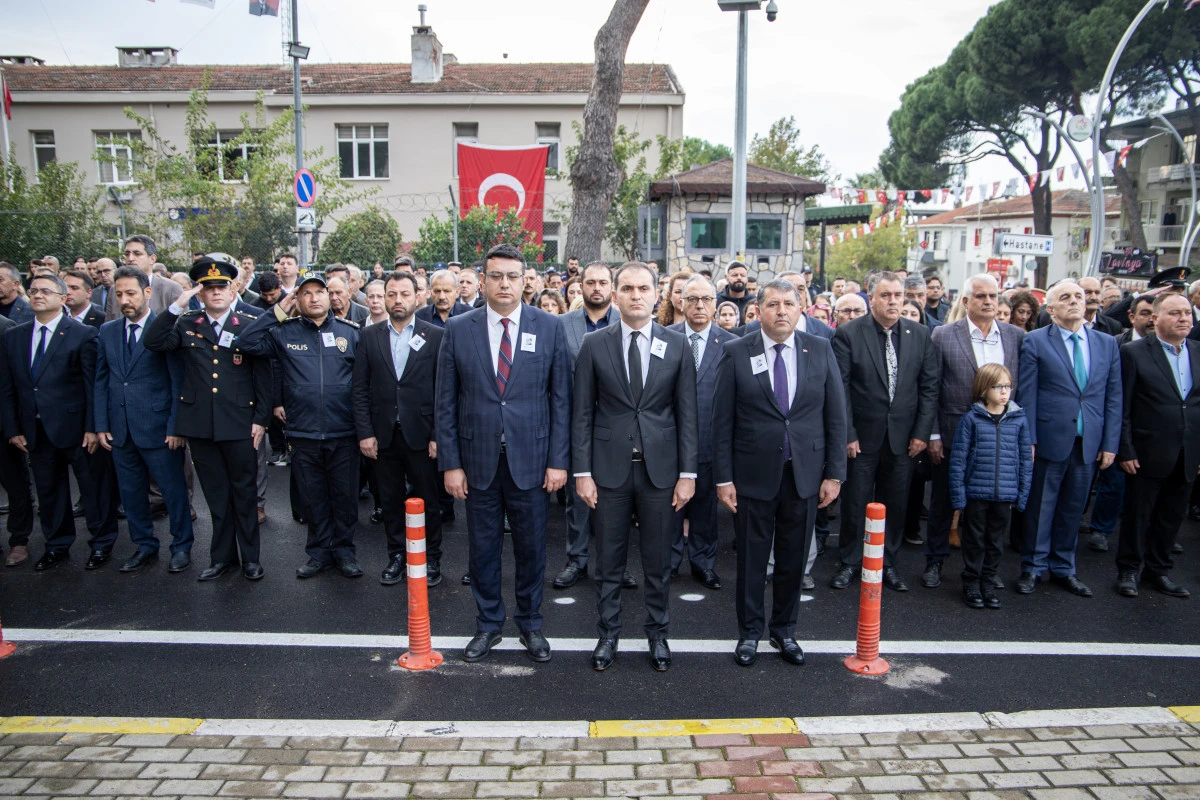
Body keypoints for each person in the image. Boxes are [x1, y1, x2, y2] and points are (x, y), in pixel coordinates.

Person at [435, 243, 571, 664]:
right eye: (497, 276)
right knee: (483, 548)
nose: (505, 283)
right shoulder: (459, 328)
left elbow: (561, 400)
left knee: (532, 548)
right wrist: (451, 463)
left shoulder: (549, 327)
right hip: (478, 462)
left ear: (524, 279)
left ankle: (531, 624)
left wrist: (558, 460)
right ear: (482, 279)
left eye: (513, 276)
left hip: (532, 461)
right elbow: (446, 402)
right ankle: (488, 624)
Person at [572, 261, 698, 673]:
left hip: (661, 473)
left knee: (659, 561)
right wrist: (582, 472)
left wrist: (688, 474)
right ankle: (607, 635)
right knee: (608, 561)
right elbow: (582, 414)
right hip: (608, 472)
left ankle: (657, 634)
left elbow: (687, 415)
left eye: (643, 288)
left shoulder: (677, 344)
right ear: (615, 294)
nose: (636, 295)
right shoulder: (594, 344)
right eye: (627, 288)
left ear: (658, 293)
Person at [713, 278, 846, 666]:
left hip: (804, 474)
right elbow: (722, 422)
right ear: (758, 310)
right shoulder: (737, 351)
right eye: (773, 304)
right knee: (753, 560)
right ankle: (750, 633)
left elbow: (836, 416)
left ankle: (785, 631)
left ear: (801, 307)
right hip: (753, 475)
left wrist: (834, 474)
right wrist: (724, 478)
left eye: (789, 303)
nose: (782, 311)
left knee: (792, 559)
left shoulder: (820, 349)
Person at [143, 256, 272, 582]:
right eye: (209, 287)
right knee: (216, 495)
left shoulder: (248, 323)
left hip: (240, 422)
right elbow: (154, 342)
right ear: (200, 293)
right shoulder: (187, 323)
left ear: (233, 291)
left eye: (222, 287)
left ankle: (251, 560)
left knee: (243, 495)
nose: (216, 292)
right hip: (200, 424)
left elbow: (264, 374)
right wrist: (178, 303)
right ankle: (222, 558)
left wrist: (261, 418)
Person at [238, 271, 364, 579]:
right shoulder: (285, 332)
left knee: (345, 499)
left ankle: (345, 553)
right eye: (305, 293)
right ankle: (318, 553)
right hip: (303, 433)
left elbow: (364, 385)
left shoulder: (352, 332)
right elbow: (247, 341)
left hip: (344, 432)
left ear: (331, 296)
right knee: (314, 499)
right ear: (298, 299)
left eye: (319, 292)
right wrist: (280, 310)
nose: (314, 298)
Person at [0, 272, 119, 571]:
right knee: (49, 492)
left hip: (79, 430)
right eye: (33, 290)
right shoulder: (13, 336)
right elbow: (7, 387)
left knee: (93, 490)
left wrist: (94, 426)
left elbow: (94, 385)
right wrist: (13, 429)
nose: (38, 295)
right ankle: (56, 545)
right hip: (35, 431)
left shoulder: (83, 334)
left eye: (46, 291)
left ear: (62, 298)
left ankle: (101, 543)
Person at [830, 271, 938, 592]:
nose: (893, 301)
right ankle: (850, 561)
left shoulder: (920, 334)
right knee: (855, 502)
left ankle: (887, 562)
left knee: (895, 503)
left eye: (898, 295)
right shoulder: (849, 334)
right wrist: (847, 434)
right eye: (886, 295)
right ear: (871, 297)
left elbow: (929, 388)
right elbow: (840, 390)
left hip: (904, 439)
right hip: (861, 438)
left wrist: (921, 432)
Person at [1016, 280, 1121, 598]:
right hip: (1049, 437)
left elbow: (1113, 397)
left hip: (1088, 440)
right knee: (1041, 507)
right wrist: (1029, 439)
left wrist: (1110, 443)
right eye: (1066, 297)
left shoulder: (1106, 343)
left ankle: (1063, 567)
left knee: (1074, 508)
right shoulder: (1035, 341)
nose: (1076, 301)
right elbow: (1027, 394)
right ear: (1051, 308)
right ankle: (1032, 567)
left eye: (1080, 295)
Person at [924, 274, 1024, 590]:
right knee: (943, 502)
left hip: (998, 439)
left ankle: (984, 570)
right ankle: (935, 562)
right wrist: (934, 434)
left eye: (993, 296)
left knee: (988, 510)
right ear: (966, 301)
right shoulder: (943, 334)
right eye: (980, 296)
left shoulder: (1014, 336)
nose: (988, 301)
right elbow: (932, 388)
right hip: (953, 433)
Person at [94, 267, 193, 574]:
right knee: (132, 492)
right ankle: (144, 545)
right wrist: (101, 424)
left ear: (147, 293)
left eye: (131, 293)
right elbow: (102, 380)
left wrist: (176, 426)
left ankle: (181, 547)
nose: (125, 300)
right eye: (119, 294)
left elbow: (178, 381)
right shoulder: (108, 331)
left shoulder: (165, 329)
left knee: (173, 491)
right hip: (120, 430)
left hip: (159, 429)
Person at [354, 271, 445, 586]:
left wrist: (437, 436)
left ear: (418, 296)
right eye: (391, 294)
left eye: (404, 294)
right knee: (390, 500)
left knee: (428, 500)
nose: (397, 300)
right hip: (382, 436)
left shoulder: (436, 335)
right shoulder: (369, 336)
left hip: (422, 434)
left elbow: (442, 391)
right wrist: (365, 432)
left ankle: (431, 558)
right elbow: (360, 389)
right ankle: (396, 555)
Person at [1115, 293, 1198, 599]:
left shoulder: (1199, 352)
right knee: (1138, 515)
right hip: (1147, 451)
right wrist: (1125, 449)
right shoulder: (1135, 353)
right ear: (1156, 318)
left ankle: (1158, 571)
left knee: (1172, 515)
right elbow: (1123, 405)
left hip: (1187, 450)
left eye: (1187, 313)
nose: (1184, 319)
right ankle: (1128, 571)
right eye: (1175, 313)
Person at [553, 262, 630, 590]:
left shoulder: (629, 323)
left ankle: (616, 564)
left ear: (611, 288)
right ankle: (577, 559)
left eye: (603, 283)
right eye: (590, 283)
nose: (596, 288)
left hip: (618, 426)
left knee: (617, 499)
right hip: (577, 425)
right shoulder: (560, 325)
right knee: (577, 496)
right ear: (579, 287)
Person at [667, 274, 733, 590]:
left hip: (710, 442)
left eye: (706, 299)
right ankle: (667, 562)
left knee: (705, 510)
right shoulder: (662, 338)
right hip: (669, 442)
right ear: (680, 302)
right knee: (669, 509)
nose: (699, 305)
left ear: (715, 304)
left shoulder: (731, 345)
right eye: (692, 299)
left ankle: (703, 564)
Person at [948, 364, 1032, 609]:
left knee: (996, 541)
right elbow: (959, 459)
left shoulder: (1018, 420)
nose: (1004, 392)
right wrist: (959, 496)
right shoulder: (971, 419)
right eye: (997, 386)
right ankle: (971, 582)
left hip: (1004, 494)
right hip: (976, 492)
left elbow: (1025, 459)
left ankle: (988, 582)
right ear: (984, 389)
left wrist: (1022, 494)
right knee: (974, 539)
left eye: (1008, 386)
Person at [110, 235, 183, 321]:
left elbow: (181, 325)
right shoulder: (114, 289)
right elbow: (110, 325)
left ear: (152, 259)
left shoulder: (171, 289)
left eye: (137, 253)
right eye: (127, 254)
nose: (130, 258)